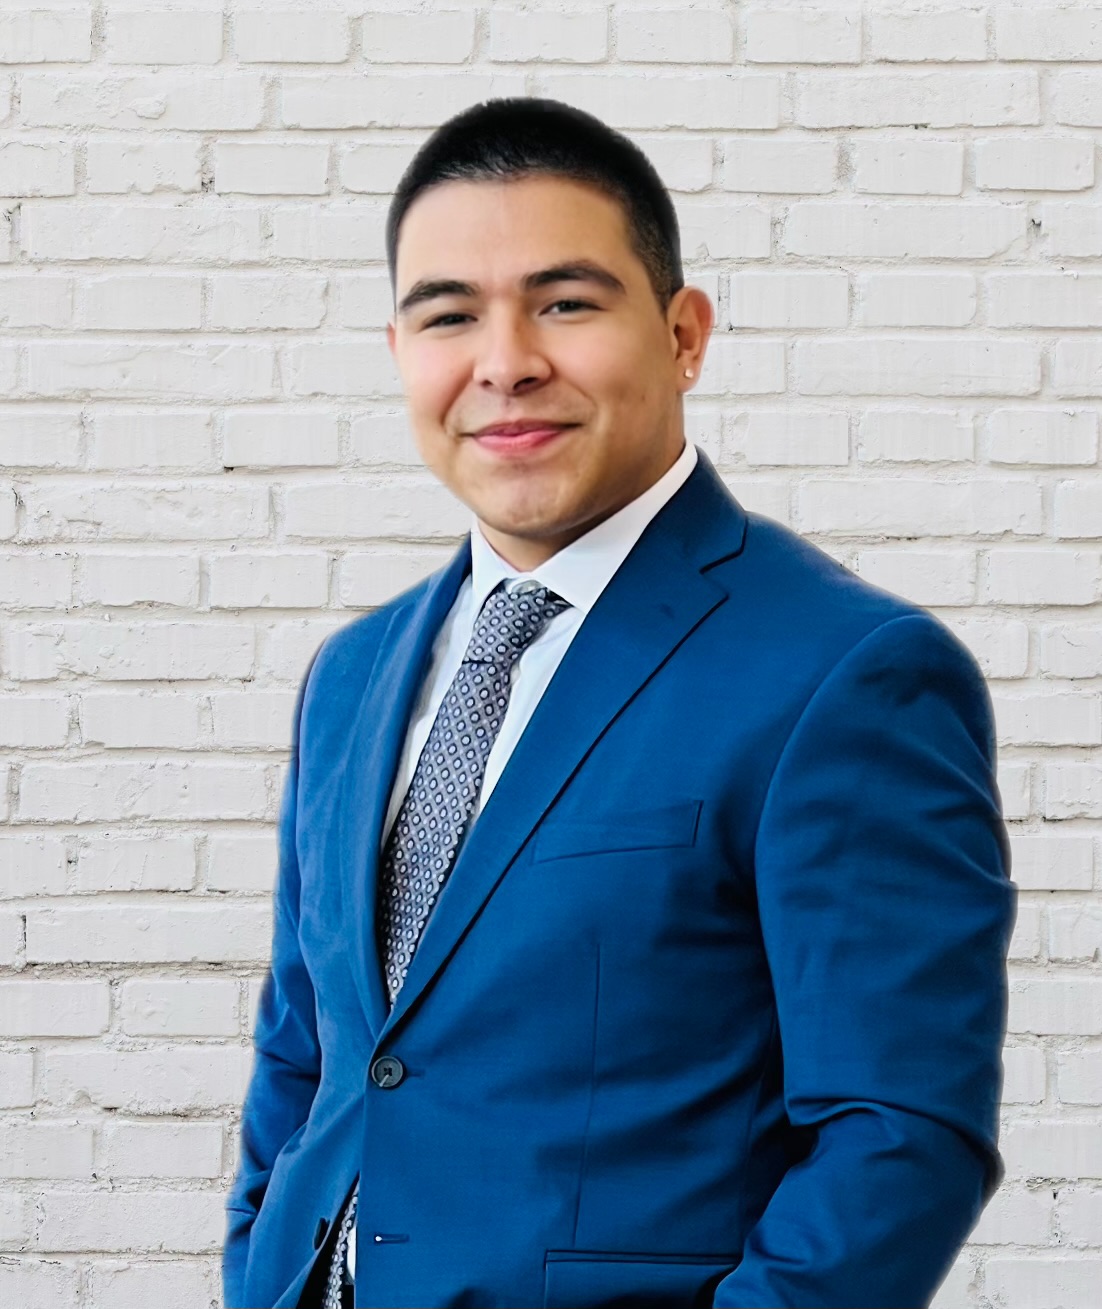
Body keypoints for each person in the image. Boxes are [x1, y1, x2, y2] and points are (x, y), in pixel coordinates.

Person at [223, 97, 1015, 1309]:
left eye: (564, 303)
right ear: (398, 351)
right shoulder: (353, 674)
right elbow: (309, 1052)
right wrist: (256, 1264)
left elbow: (898, 1134)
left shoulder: (846, 673)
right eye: (448, 315)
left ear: (683, 335)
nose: (504, 363)